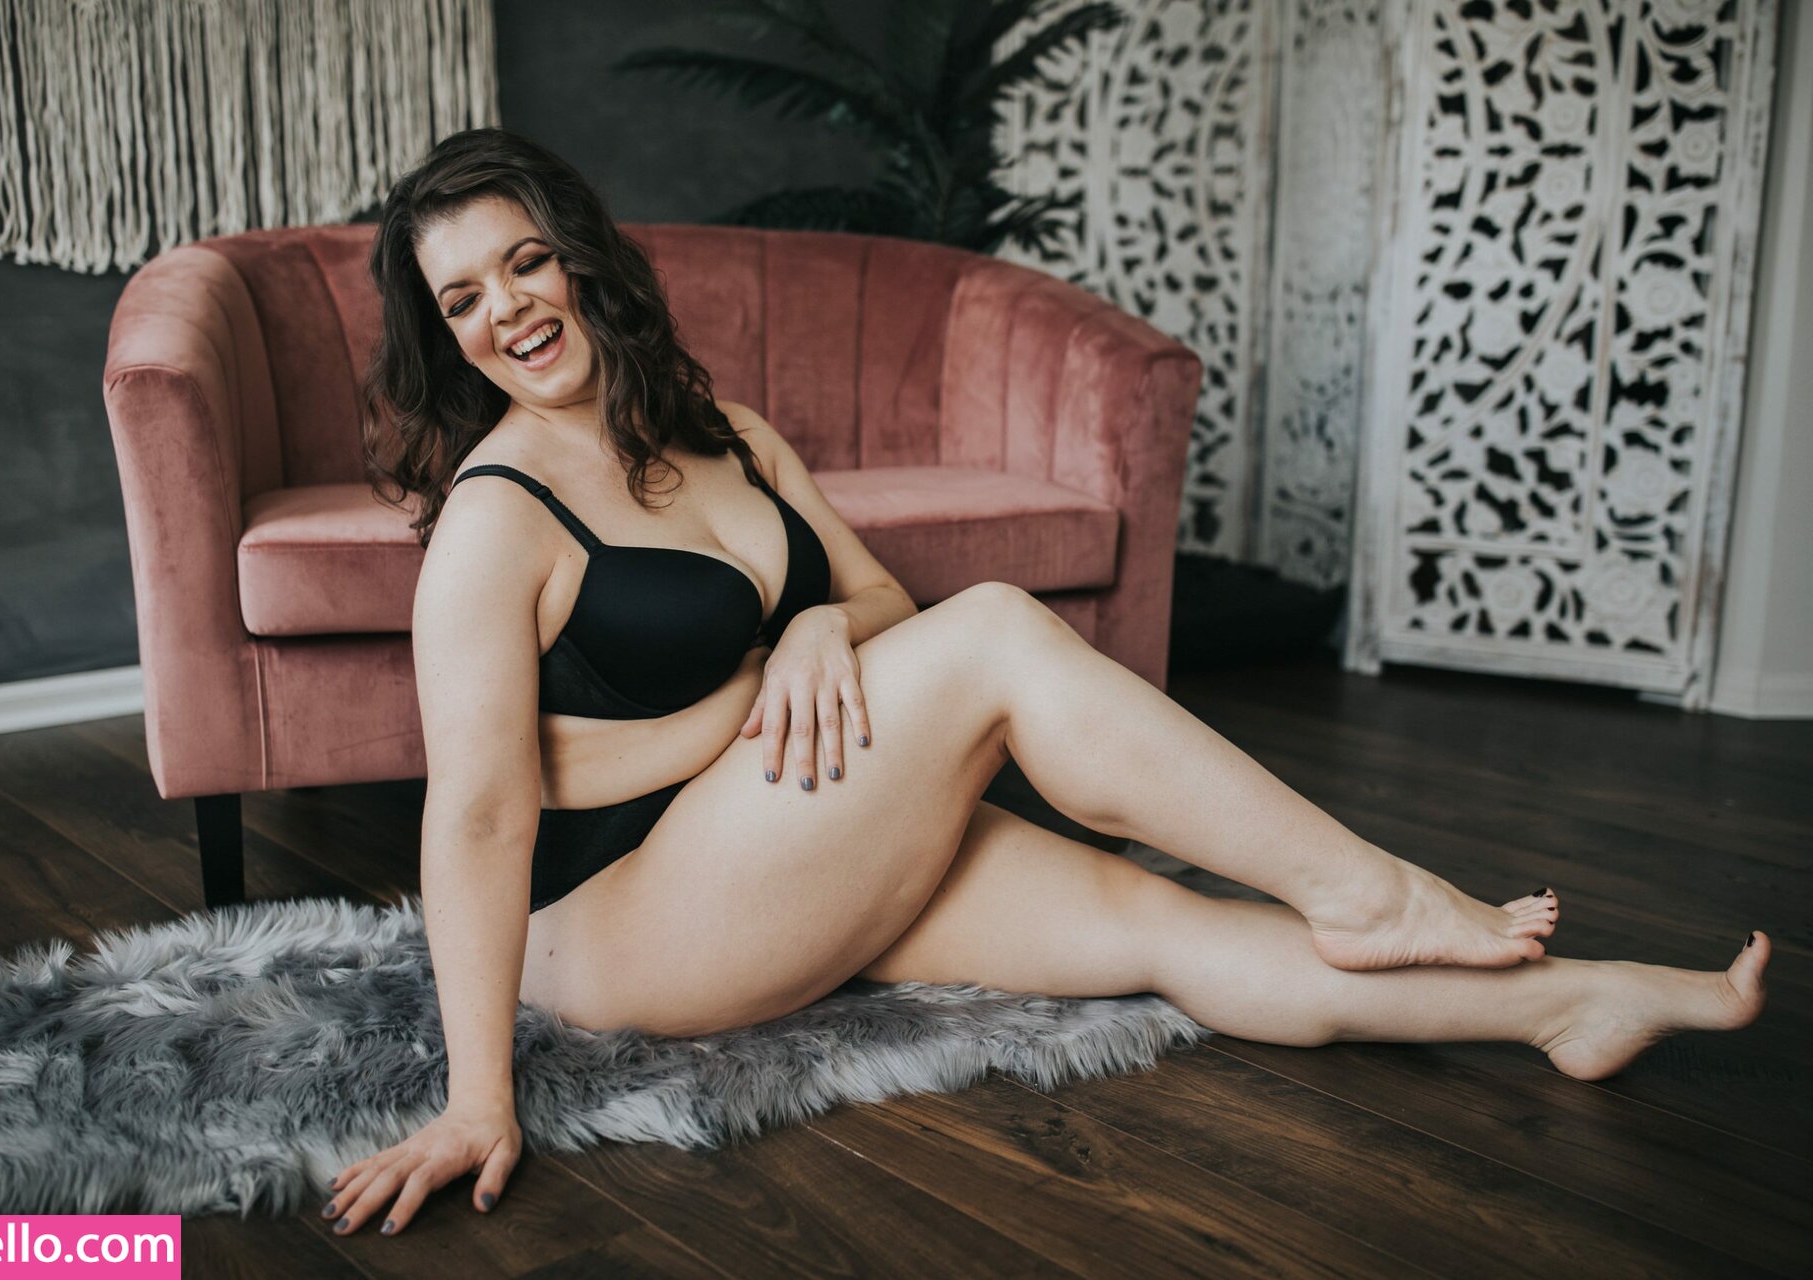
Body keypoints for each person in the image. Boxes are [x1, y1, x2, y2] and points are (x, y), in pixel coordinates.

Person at [319, 128, 1768, 1239]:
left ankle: (1574, 1006)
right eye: (463, 299)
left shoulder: (728, 434)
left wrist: (815, 633)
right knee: (1001, 634)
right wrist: (479, 1096)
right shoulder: (497, 517)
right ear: (446, 337)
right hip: (617, 931)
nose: (507, 310)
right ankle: (1371, 891)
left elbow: (880, 604)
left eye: (525, 263)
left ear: (581, 258)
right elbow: (480, 815)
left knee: (1154, 923)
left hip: (780, 848)